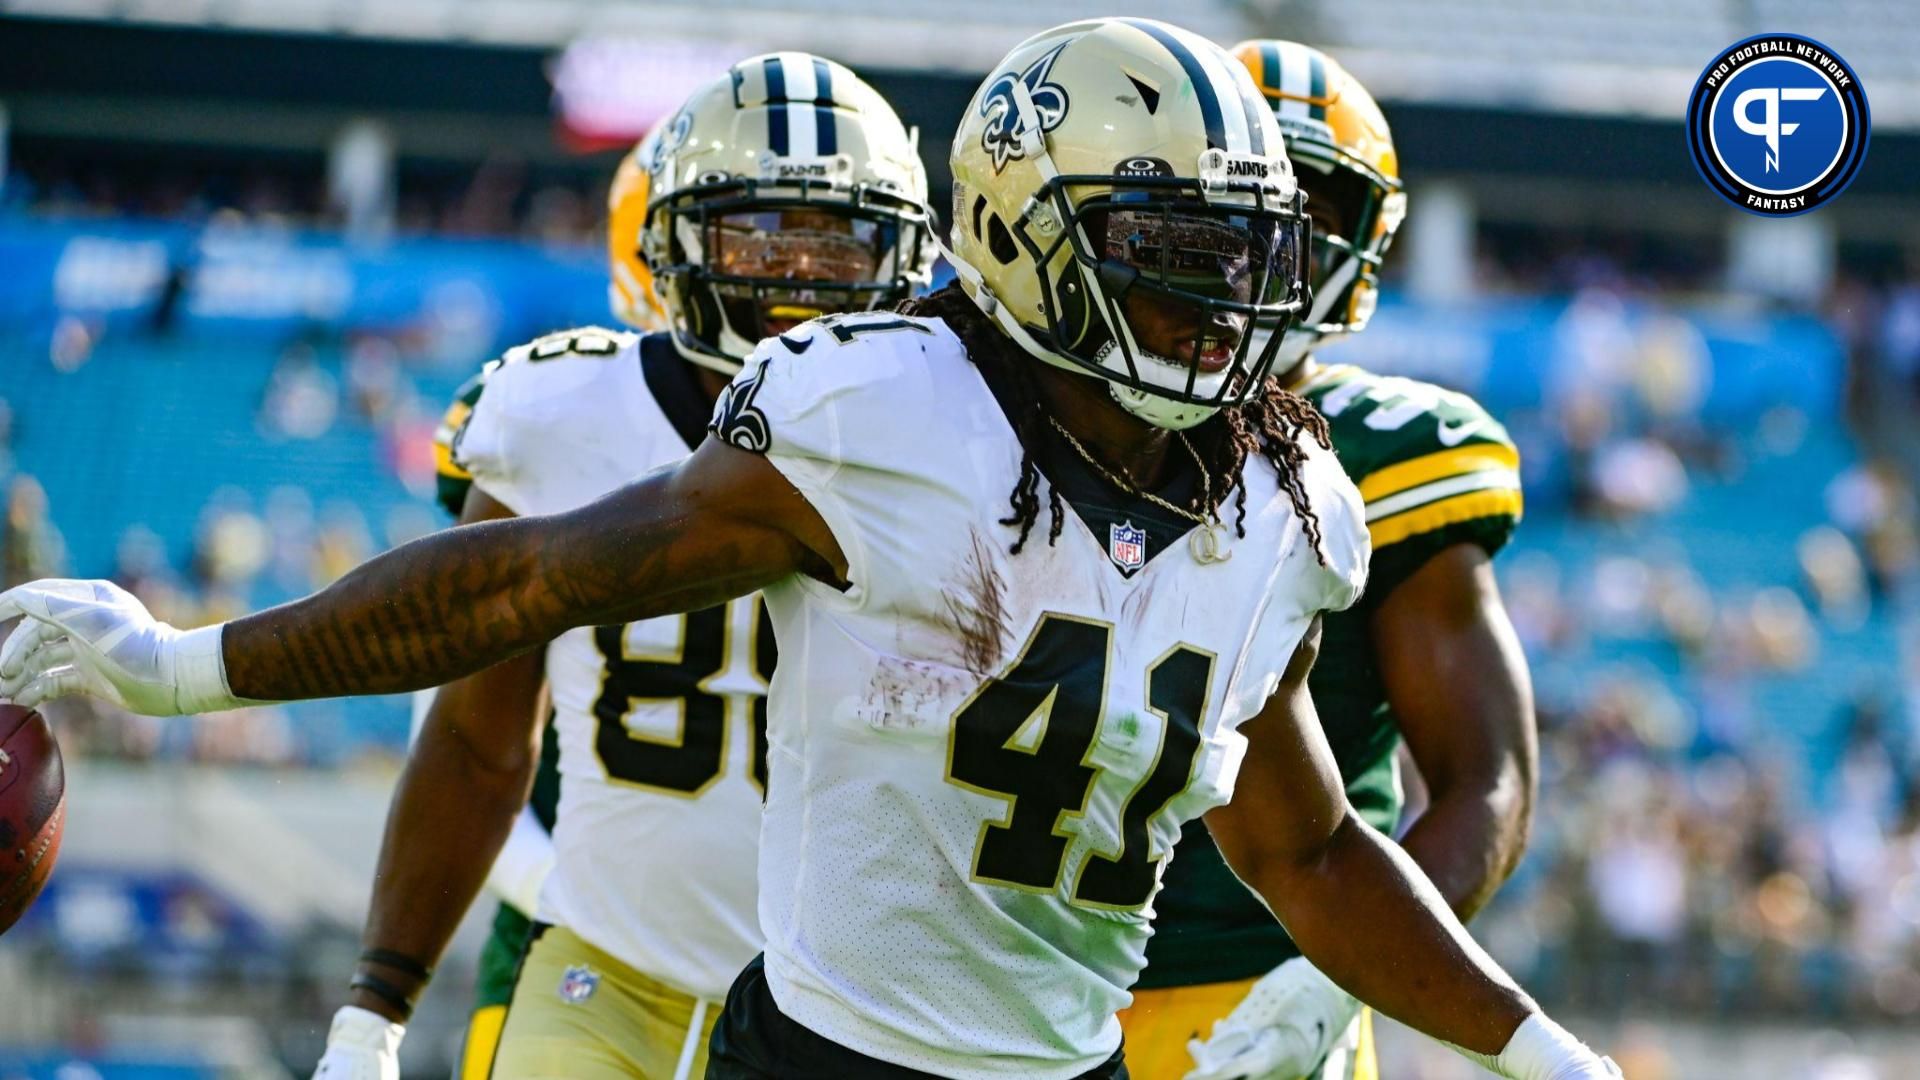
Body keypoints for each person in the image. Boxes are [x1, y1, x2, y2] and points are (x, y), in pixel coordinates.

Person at [0, 19, 1614, 1080]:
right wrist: (189, 668)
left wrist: (1540, 1052)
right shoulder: (886, 413)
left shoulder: (1290, 504)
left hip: (1073, 1063)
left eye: (1249, 259)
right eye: (1178, 258)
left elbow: (1314, 850)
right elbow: (530, 582)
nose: (1229, 305)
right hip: (821, 1050)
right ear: (1026, 236)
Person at [324, 56, 934, 1080]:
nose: (799, 284)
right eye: (761, 239)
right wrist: (372, 1010)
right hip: (605, 975)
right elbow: (477, 742)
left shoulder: (959, 443)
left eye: (841, 243)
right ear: (676, 243)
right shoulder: (560, 416)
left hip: (854, 1014)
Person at [1119, 42, 1538, 1080]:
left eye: (1310, 205)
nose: (1269, 238)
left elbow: (1489, 781)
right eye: (1226, 199)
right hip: (993, 976)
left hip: (1244, 985)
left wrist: (1328, 980)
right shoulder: (1021, 420)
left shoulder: (1394, 452)